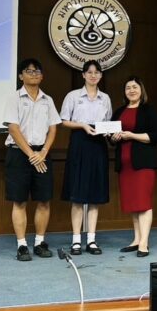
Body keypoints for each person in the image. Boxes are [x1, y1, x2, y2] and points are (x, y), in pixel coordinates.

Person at [2, 58, 62, 262]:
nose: (34, 74)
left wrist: (43, 152)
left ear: (42, 76)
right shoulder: (14, 98)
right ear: (21, 76)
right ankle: (21, 245)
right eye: (29, 71)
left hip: (42, 154)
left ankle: (39, 242)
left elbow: (53, 128)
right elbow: (13, 128)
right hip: (19, 154)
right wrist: (31, 155)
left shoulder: (48, 100)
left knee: (44, 200)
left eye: (37, 71)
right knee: (19, 201)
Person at [60, 59, 112, 255]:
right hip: (79, 143)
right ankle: (76, 240)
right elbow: (64, 121)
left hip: (98, 145)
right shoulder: (73, 96)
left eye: (97, 72)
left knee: (94, 196)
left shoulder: (105, 98)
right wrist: (82, 125)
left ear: (101, 75)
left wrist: (108, 131)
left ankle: (91, 240)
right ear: (83, 75)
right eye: (89, 72)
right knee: (77, 195)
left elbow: (107, 122)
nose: (93, 75)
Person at [110, 76, 157, 258]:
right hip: (125, 165)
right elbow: (111, 137)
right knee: (133, 203)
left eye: (135, 87)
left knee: (143, 203)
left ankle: (144, 243)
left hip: (143, 164)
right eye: (128, 88)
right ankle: (136, 239)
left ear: (141, 90)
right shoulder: (119, 111)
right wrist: (113, 137)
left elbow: (156, 136)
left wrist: (132, 135)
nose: (131, 90)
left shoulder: (149, 110)